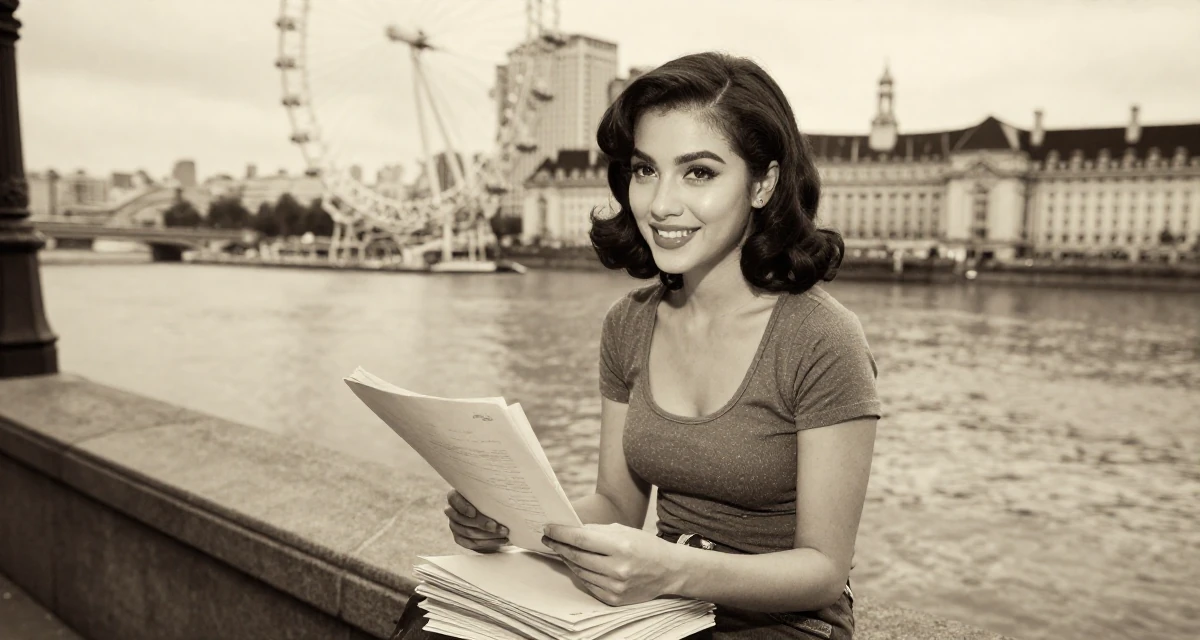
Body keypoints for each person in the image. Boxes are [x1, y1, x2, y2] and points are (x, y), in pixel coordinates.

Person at [392, 51, 881, 640]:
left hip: (781, 622)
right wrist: (516, 521)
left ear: (764, 183)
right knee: (431, 621)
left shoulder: (822, 338)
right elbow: (618, 506)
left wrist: (672, 568)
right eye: (645, 170)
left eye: (698, 172)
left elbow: (824, 572)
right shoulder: (630, 323)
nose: (659, 203)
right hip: (660, 607)